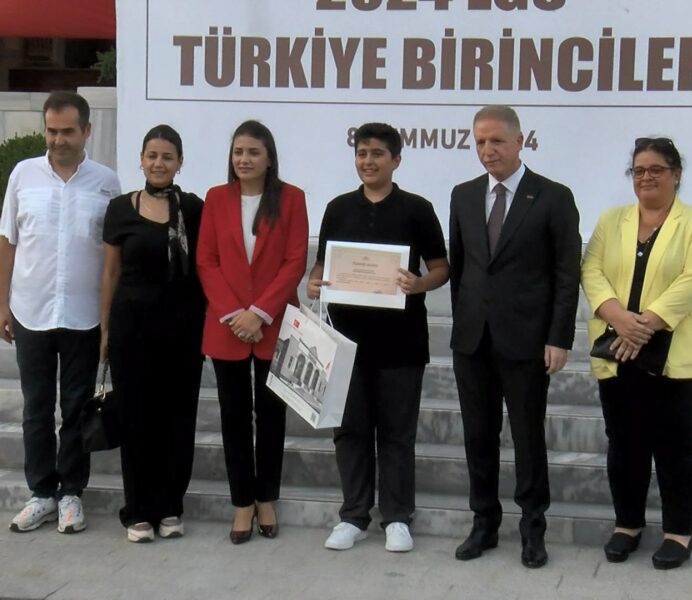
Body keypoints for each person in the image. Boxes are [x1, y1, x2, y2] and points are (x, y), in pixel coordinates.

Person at [448, 105, 581, 568]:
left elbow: (566, 274)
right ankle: (483, 523)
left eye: (497, 141)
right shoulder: (463, 195)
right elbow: (462, 268)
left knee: (527, 438)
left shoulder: (553, 197)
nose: (488, 150)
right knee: (477, 437)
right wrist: (464, 323)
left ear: (520, 141)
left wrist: (559, 337)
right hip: (473, 341)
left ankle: (532, 528)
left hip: (527, 341)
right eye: (480, 142)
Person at [306, 123, 449, 553]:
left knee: (396, 434)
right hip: (344, 342)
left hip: (401, 343)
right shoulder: (338, 208)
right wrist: (314, 282)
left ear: (396, 160)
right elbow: (321, 265)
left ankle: (398, 517)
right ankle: (353, 515)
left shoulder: (417, 209)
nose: (367, 161)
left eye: (377, 154)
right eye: (361, 153)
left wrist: (418, 285)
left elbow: (441, 267)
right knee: (349, 431)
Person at [581, 137, 692, 570]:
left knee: (677, 446)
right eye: (639, 170)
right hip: (618, 349)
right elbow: (591, 269)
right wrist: (617, 317)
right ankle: (627, 525)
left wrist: (644, 324)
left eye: (656, 169)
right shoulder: (612, 220)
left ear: (676, 173)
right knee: (625, 444)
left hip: (671, 354)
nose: (646, 177)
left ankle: (678, 533)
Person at [0, 91, 121, 534]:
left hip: (84, 314)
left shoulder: (106, 182)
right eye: (51, 130)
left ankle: (71, 494)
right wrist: (1, 305)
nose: (58, 139)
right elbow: (7, 241)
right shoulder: (23, 175)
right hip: (30, 310)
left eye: (67, 131)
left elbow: (113, 257)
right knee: (36, 407)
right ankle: (41, 493)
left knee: (76, 407)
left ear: (87, 130)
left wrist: (109, 320)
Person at [196, 120, 308, 544]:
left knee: (272, 417)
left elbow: (294, 262)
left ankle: (266, 498)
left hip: (273, 324)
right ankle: (242, 502)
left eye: (253, 152)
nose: (244, 159)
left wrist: (259, 313)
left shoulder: (291, 198)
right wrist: (234, 313)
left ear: (269, 158)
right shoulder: (216, 198)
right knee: (234, 417)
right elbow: (206, 261)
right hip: (227, 326)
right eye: (238, 152)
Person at [99, 125, 205, 543]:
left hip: (183, 331)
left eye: (167, 156)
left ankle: (170, 507)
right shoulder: (119, 209)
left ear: (180, 163)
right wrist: (105, 329)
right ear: (141, 160)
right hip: (132, 330)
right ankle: (138, 510)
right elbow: (110, 273)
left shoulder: (193, 209)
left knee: (178, 419)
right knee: (136, 418)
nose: (159, 163)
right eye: (152, 156)